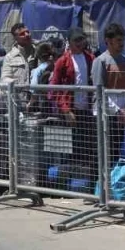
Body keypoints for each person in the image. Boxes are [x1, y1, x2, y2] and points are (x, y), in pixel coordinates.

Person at [51, 30, 97, 185]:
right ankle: (64, 185)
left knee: (85, 149)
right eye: (76, 40)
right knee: (67, 151)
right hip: (69, 111)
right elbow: (54, 88)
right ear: (69, 42)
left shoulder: (91, 58)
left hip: (87, 111)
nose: (79, 43)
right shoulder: (62, 61)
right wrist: (66, 110)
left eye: (82, 39)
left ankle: (82, 185)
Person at [91, 23, 125, 165]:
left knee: (115, 154)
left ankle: (113, 178)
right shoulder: (100, 61)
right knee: (102, 155)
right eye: (118, 40)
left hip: (122, 117)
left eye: (123, 40)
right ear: (108, 41)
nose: (122, 44)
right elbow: (99, 91)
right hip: (105, 116)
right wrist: (117, 111)